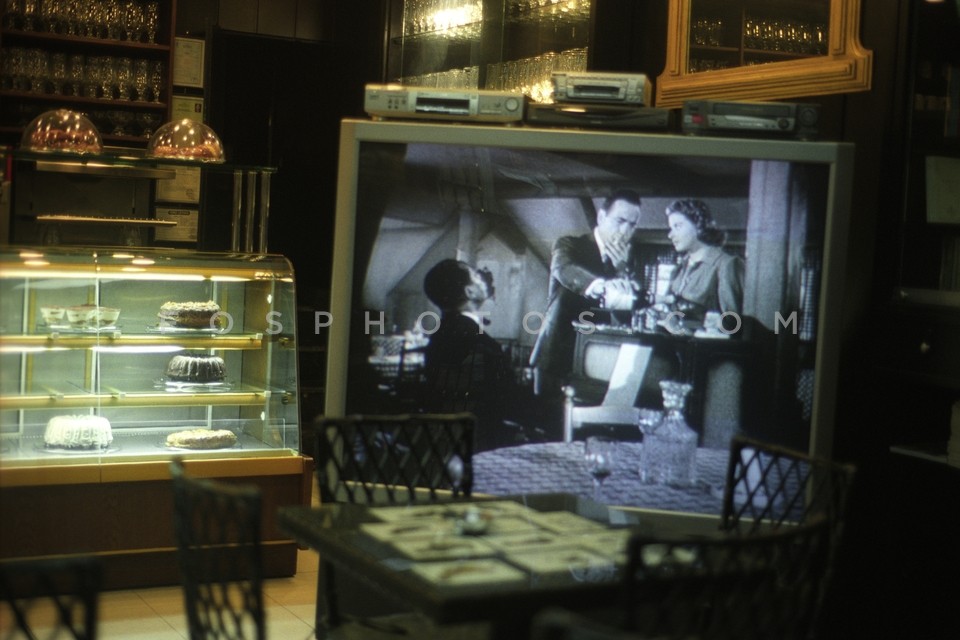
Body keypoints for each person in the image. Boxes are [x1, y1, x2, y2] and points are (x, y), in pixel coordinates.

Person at [529, 189, 644, 397]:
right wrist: (602, 286)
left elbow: (626, 317)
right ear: (601, 217)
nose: (625, 231)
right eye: (620, 221)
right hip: (556, 359)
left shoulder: (627, 261)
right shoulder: (569, 245)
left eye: (632, 225)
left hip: (598, 364)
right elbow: (565, 269)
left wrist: (621, 271)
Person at [421, 258, 511, 451]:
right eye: (477, 277)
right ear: (469, 292)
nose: (483, 281)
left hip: (447, 441)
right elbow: (499, 397)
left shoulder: (440, 335)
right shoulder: (476, 341)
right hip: (478, 443)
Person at [656, 199, 744, 327]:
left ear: (698, 226)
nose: (670, 235)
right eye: (671, 228)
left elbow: (734, 324)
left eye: (677, 226)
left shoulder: (726, 264)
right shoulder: (679, 269)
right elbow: (671, 316)